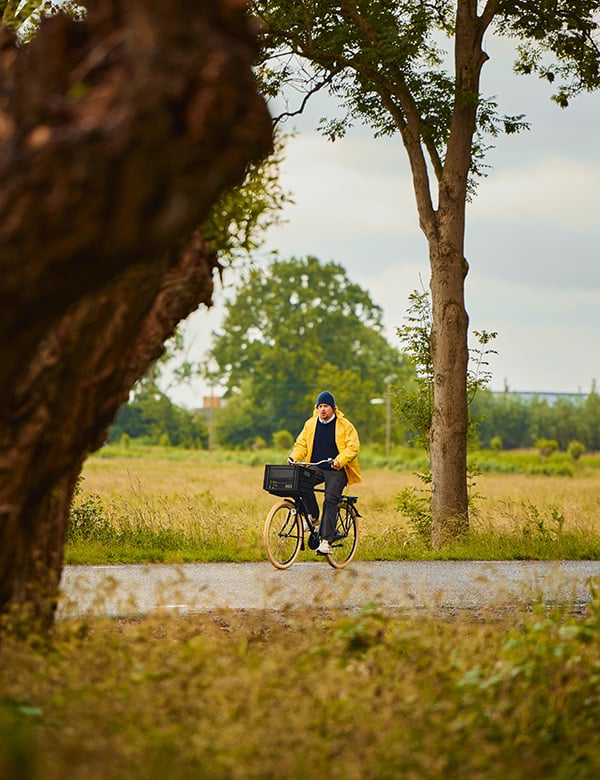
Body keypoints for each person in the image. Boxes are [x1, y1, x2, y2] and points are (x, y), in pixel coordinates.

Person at [288, 390, 361, 555]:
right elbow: (301, 445)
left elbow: (353, 447)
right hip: (317, 466)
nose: (322, 409)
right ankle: (313, 516)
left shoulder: (345, 425)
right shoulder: (311, 424)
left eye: (326, 406)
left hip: (337, 469)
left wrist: (339, 460)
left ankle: (326, 541)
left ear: (334, 408)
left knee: (330, 499)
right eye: (320, 406)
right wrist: (294, 457)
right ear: (316, 408)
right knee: (301, 481)